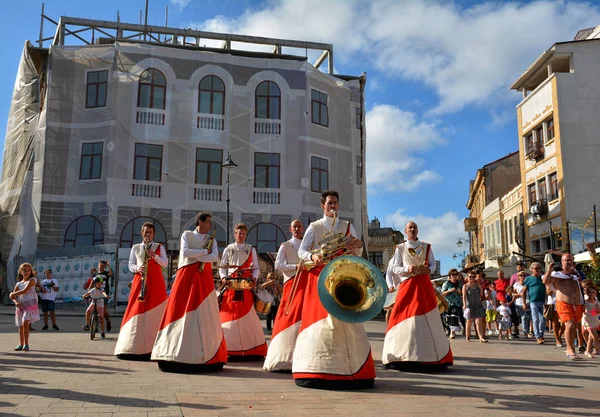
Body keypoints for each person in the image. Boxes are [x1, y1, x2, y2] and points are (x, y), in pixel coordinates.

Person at [293, 190, 375, 389]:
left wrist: (358, 245)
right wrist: (313, 257)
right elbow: (301, 251)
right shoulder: (314, 227)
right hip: (320, 278)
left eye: (335, 203)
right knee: (320, 324)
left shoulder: (348, 226)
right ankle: (316, 368)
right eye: (329, 203)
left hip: (342, 275)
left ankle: (352, 368)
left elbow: (357, 252)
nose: (333, 206)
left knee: (347, 322)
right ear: (323, 206)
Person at [152, 212, 226, 372]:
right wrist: (203, 253)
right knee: (178, 310)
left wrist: (199, 255)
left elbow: (214, 257)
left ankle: (207, 353)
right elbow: (185, 253)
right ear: (200, 222)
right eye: (208, 222)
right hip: (185, 277)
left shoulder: (211, 239)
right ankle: (173, 352)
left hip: (204, 280)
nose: (210, 225)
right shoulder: (186, 235)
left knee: (206, 315)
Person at [383, 221, 453, 370]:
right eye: (410, 228)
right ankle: (400, 355)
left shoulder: (427, 247)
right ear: (405, 231)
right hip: (407, 286)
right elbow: (394, 268)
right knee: (404, 316)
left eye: (414, 227)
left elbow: (433, 264)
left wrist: (429, 270)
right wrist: (407, 268)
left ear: (417, 230)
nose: (412, 229)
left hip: (424, 286)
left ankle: (432, 355)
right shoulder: (400, 248)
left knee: (428, 318)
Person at [115, 222, 168, 360]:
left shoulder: (159, 247)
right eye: (145, 232)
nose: (147, 234)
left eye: (150, 232)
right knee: (136, 308)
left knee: (156, 310)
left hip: (155, 281)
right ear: (142, 233)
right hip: (140, 280)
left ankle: (154, 346)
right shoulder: (136, 247)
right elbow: (131, 264)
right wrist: (138, 269)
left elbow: (165, 263)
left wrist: (154, 256)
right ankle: (133, 345)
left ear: (153, 234)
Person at [219, 222, 267, 358]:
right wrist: (223, 278)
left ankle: (251, 349)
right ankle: (226, 347)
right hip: (231, 285)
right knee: (228, 313)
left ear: (246, 235)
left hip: (246, 286)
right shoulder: (229, 248)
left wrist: (254, 278)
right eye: (239, 233)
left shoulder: (251, 249)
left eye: (243, 234)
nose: (241, 236)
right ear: (235, 234)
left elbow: (256, 267)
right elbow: (223, 266)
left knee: (249, 314)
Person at [264, 219, 306, 372]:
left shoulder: (308, 246)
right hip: (291, 284)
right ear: (290, 229)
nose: (297, 229)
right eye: (294, 226)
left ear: (303, 229)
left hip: (306, 285)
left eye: (299, 226)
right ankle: (284, 356)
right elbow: (278, 265)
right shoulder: (286, 245)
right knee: (290, 316)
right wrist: (296, 267)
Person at [543, 254, 585, 360]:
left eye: (571, 260)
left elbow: (581, 289)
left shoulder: (575, 276)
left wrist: (582, 302)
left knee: (574, 327)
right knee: (570, 325)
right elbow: (546, 281)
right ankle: (570, 349)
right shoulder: (557, 275)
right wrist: (549, 270)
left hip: (576, 304)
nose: (569, 262)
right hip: (563, 303)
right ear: (562, 262)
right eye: (567, 260)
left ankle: (571, 349)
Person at [10, 263, 40, 351]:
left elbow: (24, 291)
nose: (27, 272)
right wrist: (15, 301)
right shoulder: (18, 284)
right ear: (21, 272)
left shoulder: (32, 280)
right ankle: (21, 343)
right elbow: (13, 298)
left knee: (25, 323)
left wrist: (12, 293)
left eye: (29, 270)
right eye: (25, 270)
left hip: (30, 306)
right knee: (21, 326)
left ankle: (26, 344)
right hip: (21, 306)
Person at [522, 262, 546, 344]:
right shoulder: (528, 279)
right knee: (535, 319)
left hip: (543, 301)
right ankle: (538, 336)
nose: (538, 270)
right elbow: (524, 292)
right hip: (533, 301)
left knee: (543, 320)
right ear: (531, 270)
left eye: (539, 268)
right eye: (536, 268)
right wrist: (524, 303)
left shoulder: (543, 278)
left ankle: (541, 334)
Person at [463, 271, 487, 342]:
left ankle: (481, 337)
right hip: (469, 305)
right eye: (470, 277)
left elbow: (481, 294)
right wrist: (464, 305)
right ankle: (468, 336)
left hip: (477, 305)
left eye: (473, 277)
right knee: (469, 322)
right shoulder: (465, 286)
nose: (471, 278)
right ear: (467, 277)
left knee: (478, 321)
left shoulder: (478, 285)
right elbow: (464, 296)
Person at [441, 268, 464, 339]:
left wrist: (460, 292)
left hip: (459, 303)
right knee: (452, 316)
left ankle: (462, 330)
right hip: (449, 303)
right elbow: (442, 293)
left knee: (458, 317)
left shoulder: (460, 283)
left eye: (456, 274)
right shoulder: (446, 284)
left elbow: (463, 292)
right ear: (450, 275)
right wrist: (450, 291)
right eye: (453, 274)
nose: (455, 276)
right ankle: (452, 332)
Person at [581, 280, 599, 358]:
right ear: (587, 293)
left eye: (593, 292)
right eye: (590, 292)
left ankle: (588, 350)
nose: (591, 294)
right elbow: (583, 311)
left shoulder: (597, 302)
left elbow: (598, 312)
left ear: (596, 293)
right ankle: (598, 349)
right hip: (587, 321)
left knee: (591, 337)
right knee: (594, 336)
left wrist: (597, 309)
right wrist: (585, 310)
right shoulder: (585, 302)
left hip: (594, 320)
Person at [94, 260, 114, 332]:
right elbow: (92, 284)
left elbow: (111, 274)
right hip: (96, 293)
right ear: (98, 265)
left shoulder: (105, 273)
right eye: (100, 265)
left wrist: (108, 266)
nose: (101, 267)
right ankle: (95, 325)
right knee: (95, 310)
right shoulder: (96, 274)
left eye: (103, 266)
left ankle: (108, 321)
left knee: (104, 311)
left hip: (104, 293)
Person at [513, 271, 531, 338]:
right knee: (523, 317)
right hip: (519, 303)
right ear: (518, 277)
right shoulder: (516, 284)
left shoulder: (528, 284)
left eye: (524, 275)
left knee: (528, 318)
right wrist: (520, 294)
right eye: (521, 275)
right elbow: (513, 294)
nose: (522, 277)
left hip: (528, 302)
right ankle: (525, 332)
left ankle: (528, 331)